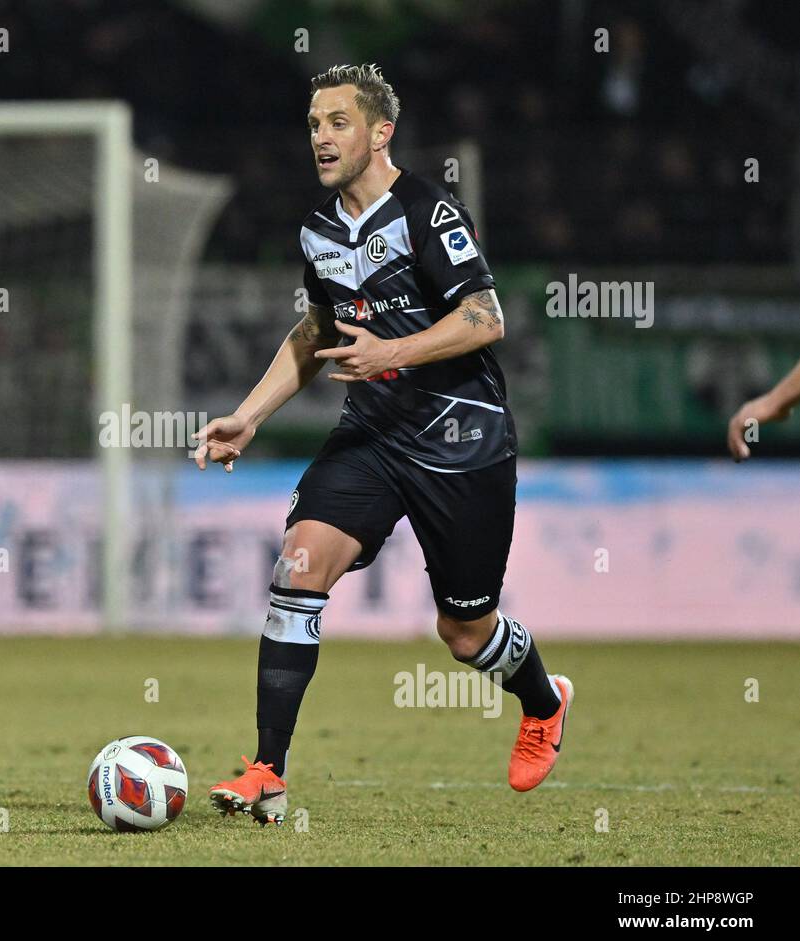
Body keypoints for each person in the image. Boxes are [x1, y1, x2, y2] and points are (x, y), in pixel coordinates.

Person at [193, 63, 572, 826]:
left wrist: (393, 354)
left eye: (338, 122)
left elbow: (484, 318)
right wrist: (251, 414)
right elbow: (317, 332)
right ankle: (268, 769)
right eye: (313, 124)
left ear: (379, 132)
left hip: (462, 436)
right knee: (298, 565)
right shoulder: (318, 229)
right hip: (371, 435)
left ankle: (543, 699)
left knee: (465, 634)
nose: (322, 138)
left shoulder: (428, 211)